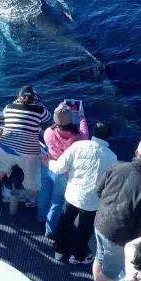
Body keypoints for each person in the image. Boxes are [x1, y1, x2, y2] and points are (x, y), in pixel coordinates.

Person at [42, 122, 117, 264]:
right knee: (84, 230)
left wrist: (48, 163)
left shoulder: (78, 146)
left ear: (94, 132)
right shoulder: (113, 158)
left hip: (72, 195)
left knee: (65, 222)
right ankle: (77, 256)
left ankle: (59, 251)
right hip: (92, 202)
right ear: (108, 137)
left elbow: (59, 167)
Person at [93, 138, 141, 281]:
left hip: (99, 222)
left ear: (136, 152)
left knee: (99, 256)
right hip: (117, 236)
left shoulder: (116, 166)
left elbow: (98, 190)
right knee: (110, 273)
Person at [0, 85, 51, 207]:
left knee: (2, 166)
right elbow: (49, 117)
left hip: (6, 148)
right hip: (27, 152)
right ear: (34, 98)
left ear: (19, 97)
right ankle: (30, 200)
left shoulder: (8, 107)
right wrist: (38, 101)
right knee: (32, 177)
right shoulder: (39, 109)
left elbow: (4, 120)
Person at [38, 102, 90, 238]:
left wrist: (61, 106)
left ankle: (41, 217)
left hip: (48, 165)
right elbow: (85, 134)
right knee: (57, 201)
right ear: (71, 120)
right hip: (63, 173)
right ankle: (49, 231)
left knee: (44, 193)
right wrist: (81, 116)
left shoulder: (48, 132)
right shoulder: (78, 138)